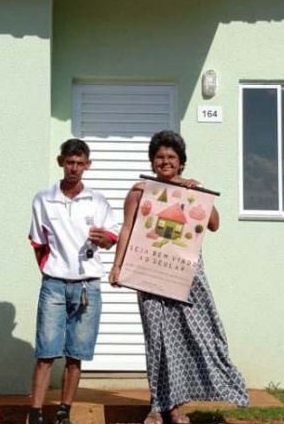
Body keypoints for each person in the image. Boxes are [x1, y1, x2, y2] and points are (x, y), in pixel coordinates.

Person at [109, 130, 249, 424]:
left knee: (193, 336)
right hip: (149, 275)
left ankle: (175, 407)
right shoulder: (139, 191)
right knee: (157, 341)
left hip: (187, 278)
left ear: (181, 162)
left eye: (171, 157)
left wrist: (197, 192)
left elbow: (214, 224)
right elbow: (126, 229)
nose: (165, 161)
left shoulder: (191, 189)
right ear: (152, 161)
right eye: (160, 156)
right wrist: (117, 266)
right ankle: (156, 407)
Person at [27, 138, 120, 424]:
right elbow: (38, 242)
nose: (74, 168)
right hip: (54, 284)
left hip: (87, 285)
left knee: (75, 355)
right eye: (70, 162)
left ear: (87, 165)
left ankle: (64, 412)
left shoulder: (97, 200)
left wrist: (104, 239)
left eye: (80, 163)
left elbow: (112, 238)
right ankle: (36, 413)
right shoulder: (43, 199)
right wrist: (50, 270)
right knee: (45, 353)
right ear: (60, 162)